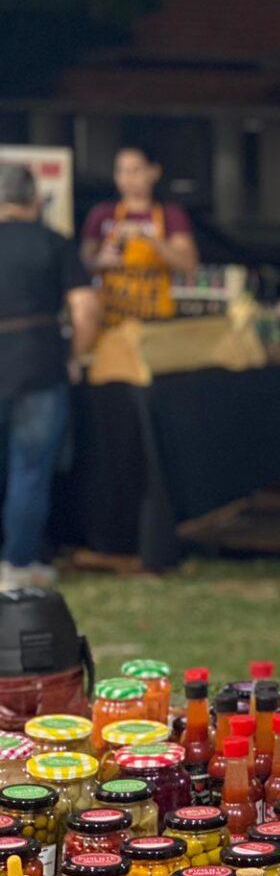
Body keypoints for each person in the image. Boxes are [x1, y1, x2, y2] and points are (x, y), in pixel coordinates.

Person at [0, 165, 100, 589]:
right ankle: (17, 566)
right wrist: (75, 356)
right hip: (38, 363)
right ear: (34, 198)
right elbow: (86, 310)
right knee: (30, 469)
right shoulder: (53, 242)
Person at [81, 146, 198, 326]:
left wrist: (148, 238)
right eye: (121, 171)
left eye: (135, 170)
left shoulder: (171, 215)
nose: (128, 178)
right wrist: (100, 261)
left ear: (154, 172)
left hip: (156, 319)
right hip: (112, 320)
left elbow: (188, 265)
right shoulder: (102, 214)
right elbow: (82, 265)